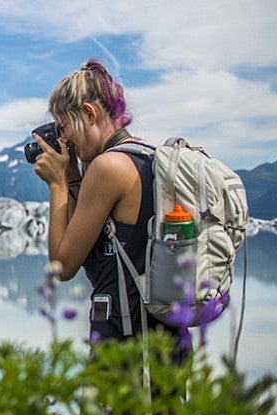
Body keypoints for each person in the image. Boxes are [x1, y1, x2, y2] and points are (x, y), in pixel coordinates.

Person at [32, 59, 185, 345]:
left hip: (128, 346)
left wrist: (56, 184)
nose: (64, 140)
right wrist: (73, 176)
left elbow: (62, 267)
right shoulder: (143, 157)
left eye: (64, 127)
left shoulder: (108, 167)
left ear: (89, 113)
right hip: (164, 340)